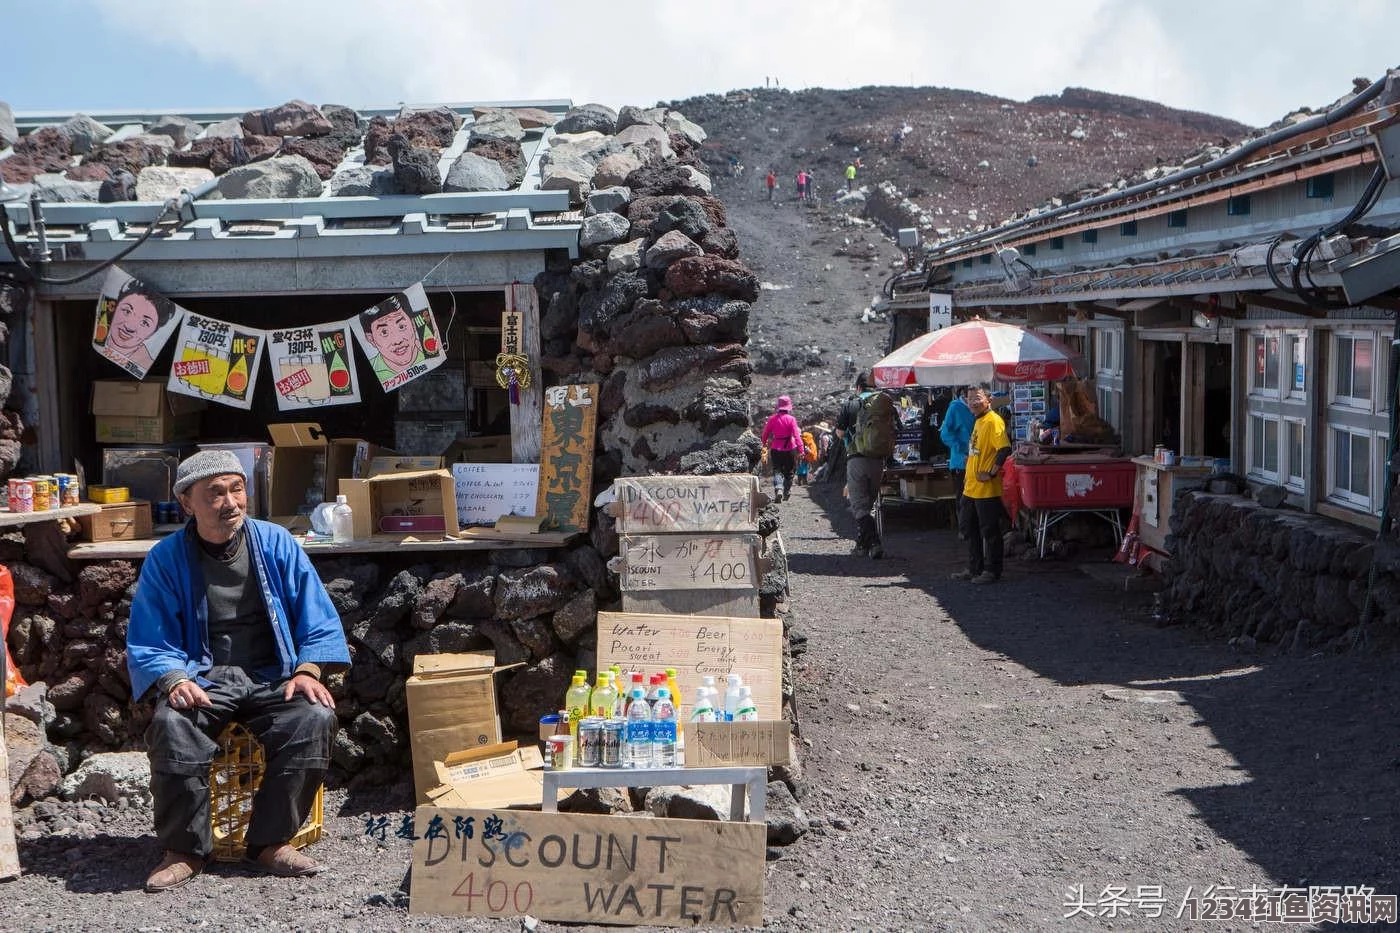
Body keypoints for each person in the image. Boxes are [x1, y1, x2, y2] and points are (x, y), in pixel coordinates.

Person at [128, 450, 350, 893]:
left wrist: (307, 669)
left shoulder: (275, 542)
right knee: (172, 724)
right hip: (204, 676)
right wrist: (175, 679)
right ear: (187, 503)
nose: (230, 501)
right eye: (215, 493)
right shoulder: (166, 558)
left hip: (272, 674)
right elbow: (150, 635)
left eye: (237, 488)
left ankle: (268, 844)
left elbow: (317, 616)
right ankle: (185, 851)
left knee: (314, 718)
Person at [952, 387, 1012, 584]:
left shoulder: (993, 421)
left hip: (986, 489)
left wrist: (992, 472)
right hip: (971, 487)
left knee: (990, 530)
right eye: (969, 399)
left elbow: (1003, 449)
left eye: (977, 398)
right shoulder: (978, 421)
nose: (973, 402)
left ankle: (992, 570)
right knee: (968, 527)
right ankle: (974, 567)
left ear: (988, 399)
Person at [835, 372, 894, 558]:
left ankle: (875, 543)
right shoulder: (884, 402)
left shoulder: (851, 403)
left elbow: (840, 433)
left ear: (858, 386)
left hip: (857, 459)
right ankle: (862, 546)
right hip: (878, 460)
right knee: (869, 503)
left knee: (859, 506)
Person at [97, 278, 178, 374]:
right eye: (127, 311)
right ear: (115, 307)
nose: (129, 327)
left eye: (144, 323)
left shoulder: (145, 365)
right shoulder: (98, 338)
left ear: (152, 333)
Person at [361, 294, 426, 381]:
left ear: (413, 325)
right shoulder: (367, 373)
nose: (397, 340)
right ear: (371, 339)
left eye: (402, 327)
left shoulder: (431, 351)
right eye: (384, 332)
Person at [940, 388, 975, 521]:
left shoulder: (978, 410)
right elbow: (945, 434)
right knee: (963, 496)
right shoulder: (955, 408)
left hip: (977, 460)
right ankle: (964, 527)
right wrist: (961, 447)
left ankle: (971, 526)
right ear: (964, 395)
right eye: (971, 397)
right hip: (962, 461)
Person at [761, 395, 803, 502]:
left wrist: (763, 444)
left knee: (777, 470)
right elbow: (797, 436)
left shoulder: (772, 419)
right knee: (789, 472)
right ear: (789, 407)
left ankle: (778, 488)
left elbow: (765, 434)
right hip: (790, 449)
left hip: (776, 449)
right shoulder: (791, 419)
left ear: (778, 407)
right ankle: (786, 491)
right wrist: (801, 449)